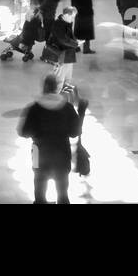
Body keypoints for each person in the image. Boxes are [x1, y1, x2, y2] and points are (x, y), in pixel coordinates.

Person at [17, 74, 83, 204]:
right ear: (56, 88)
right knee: (62, 190)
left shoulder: (34, 108)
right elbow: (75, 132)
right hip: (62, 153)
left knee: (39, 186)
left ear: (43, 88)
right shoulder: (67, 108)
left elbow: (24, 132)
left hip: (38, 153)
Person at [48, 7, 80, 90]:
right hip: (60, 55)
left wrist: (76, 41)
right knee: (59, 78)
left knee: (68, 75)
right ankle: (55, 96)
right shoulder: (58, 24)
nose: (73, 19)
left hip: (68, 54)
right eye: (72, 17)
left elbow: (69, 36)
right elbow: (62, 40)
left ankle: (65, 88)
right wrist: (76, 43)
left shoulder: (67, 22)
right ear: (66, 15)